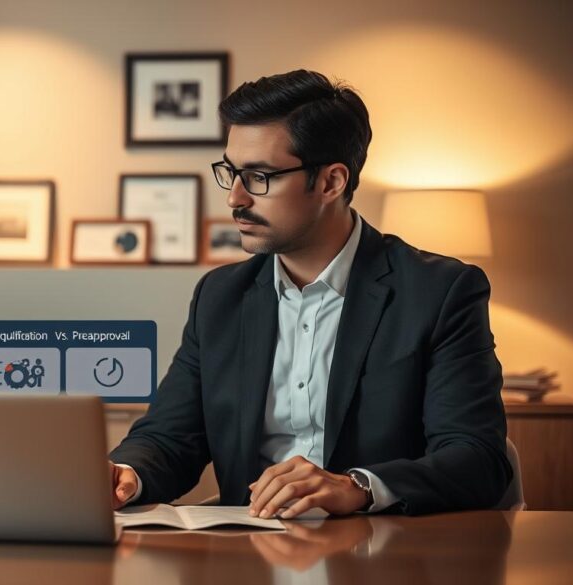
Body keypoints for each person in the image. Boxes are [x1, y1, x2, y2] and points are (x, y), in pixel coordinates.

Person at [109, 70, 510, 517]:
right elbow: (169, 437)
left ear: (331, 183)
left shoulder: (440, 291)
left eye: (259, 176)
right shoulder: (219, 296)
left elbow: (477, 458)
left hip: (386, 553)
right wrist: (126, 473)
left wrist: (357, 486)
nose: (235, 199)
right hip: (249, 553)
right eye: (231, 173)